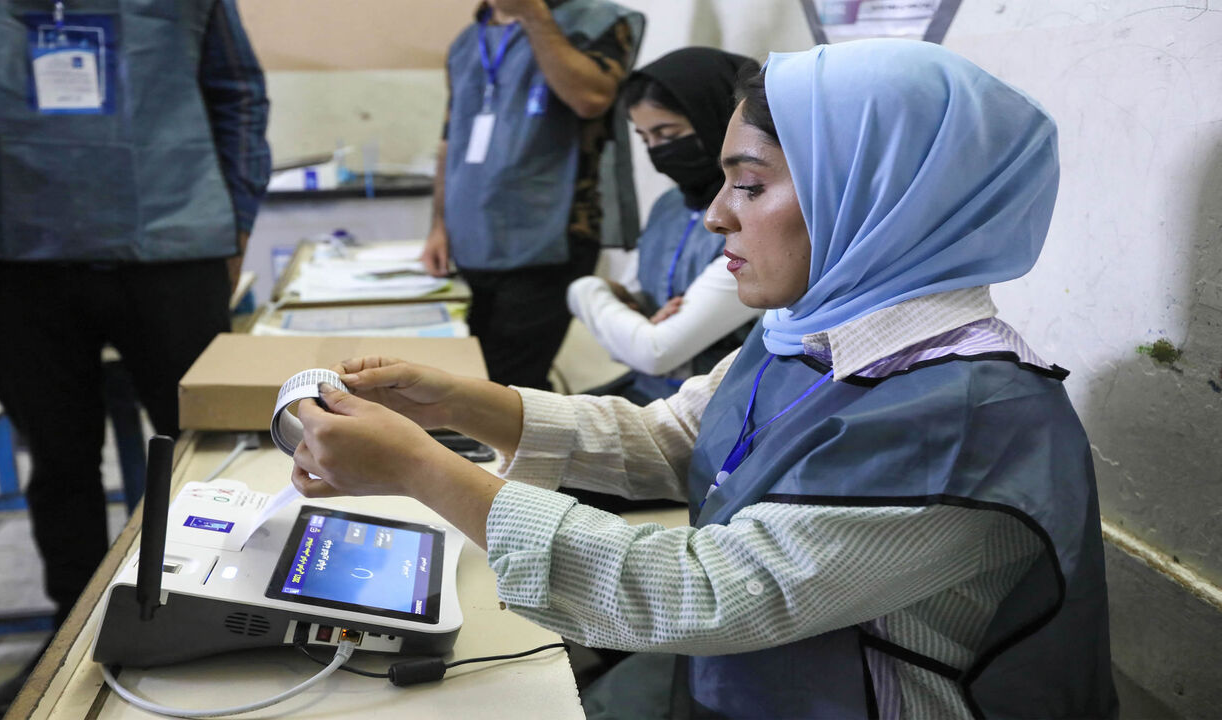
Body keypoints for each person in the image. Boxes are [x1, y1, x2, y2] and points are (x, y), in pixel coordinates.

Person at [290, 39, 1117, 718]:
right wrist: (463, 402)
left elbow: (709, 594)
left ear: (874, 198)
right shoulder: (808, 329)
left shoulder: (966, 414)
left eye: (749, 184)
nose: (716, 212)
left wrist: (421, 469)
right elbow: (674, 436)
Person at [0, 1, 268, 713]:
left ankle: (218, 608)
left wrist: (234, 223)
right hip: (9, 252)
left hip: (172, 245)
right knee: (59, 464)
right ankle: (74, 639)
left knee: (206, 449)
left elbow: (237, 93)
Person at [423, 0, 644, 390]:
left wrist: (533, 15)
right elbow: (449, 141)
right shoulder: (467, 42)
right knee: (474, 374)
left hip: (552, 237)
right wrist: (438, 226)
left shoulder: (597, 22)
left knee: (508, 381)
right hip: (472, 235)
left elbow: (591, 98)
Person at [569, 47, 762, 406]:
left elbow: (654, 351)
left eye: (669, 134)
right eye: (645, 139)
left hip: (716, 407)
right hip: (648, 392)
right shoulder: (670, 206)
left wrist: (584, 290)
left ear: (717, 120)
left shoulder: (754, 218)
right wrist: (632, 319)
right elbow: (632, 298)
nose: (658, 152)